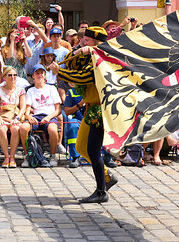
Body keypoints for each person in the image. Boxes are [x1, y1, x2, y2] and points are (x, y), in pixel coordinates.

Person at [49, 27, 118, 203]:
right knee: (81, 147)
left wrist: (60, 72)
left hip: (101, 110)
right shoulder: (89, 55)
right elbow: (70, 62)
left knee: (93, 151)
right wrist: (79, 51)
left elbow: (84, 77)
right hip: (91, 108)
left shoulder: (102, 58)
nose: (83, 42)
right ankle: (106, 176)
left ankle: (101, 191)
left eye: (86, 40)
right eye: (82, 40)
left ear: (96, 42)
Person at [20, 64, 61, 167]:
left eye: (41, 73)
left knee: (52, 129)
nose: (39, 75)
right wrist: (29, 117)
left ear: (45, 75)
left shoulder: (51, 88)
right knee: (23, 128)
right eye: (37, 73)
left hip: (49, 115)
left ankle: (52, 155)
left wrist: (49, 117)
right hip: (36, 116)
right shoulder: (30, 90)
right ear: (33, 76)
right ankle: (27, 155)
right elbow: (27, 110)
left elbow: (58, 110)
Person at [0, 66, 26, 168]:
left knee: (16, 129)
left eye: (15, 75)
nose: (13, 77)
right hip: (2, 117)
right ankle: (6, 156)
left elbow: (23, 107)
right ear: (4, 77)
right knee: (1, 129)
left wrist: (18, 118)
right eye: (10, 75)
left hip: (15, 117)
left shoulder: (20, 90)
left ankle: (12, 157)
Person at [64, 83, 85, 167]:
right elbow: (67, 111)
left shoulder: (93, 91)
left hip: (91, 119)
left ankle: (107, 157)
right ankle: (75, 157)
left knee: (103, 124)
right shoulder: (71, 92)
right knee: (72, 126)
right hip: (77, 119)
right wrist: (79, 104)